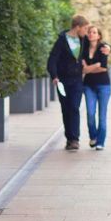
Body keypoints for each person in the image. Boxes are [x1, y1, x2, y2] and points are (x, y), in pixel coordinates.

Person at [48, 15, 89, 150]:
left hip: (77, 80)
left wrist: (108, 48)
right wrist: (54, 76)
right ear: (77, 27)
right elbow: (52, 59)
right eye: (85, 28)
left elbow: (98, 43)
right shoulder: (62, 40)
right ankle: (69, 139)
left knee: (74, 107)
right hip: (62, 81)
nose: (86, 31)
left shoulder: (84, 40)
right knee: (66, 109)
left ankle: (74, 139)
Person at [81, 25, 111, 150]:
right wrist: (96, 66)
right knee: (90, 113)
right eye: (89, 32)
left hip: (104, 86)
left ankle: (100, 142)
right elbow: (83, 70)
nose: (91, 34)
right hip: (88, 86)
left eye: (94, 32)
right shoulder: (83, 49)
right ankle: (93, 136)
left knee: (102, 115)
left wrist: (89, 68)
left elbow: (103, 67)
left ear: (99, 36)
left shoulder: (103, 48)